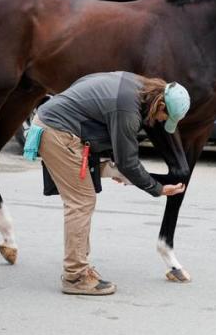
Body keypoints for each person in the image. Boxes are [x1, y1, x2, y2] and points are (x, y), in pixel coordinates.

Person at [35, 71, 190, 296]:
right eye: (164, 117)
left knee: (83, 199)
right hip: (58, 132)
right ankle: (75, 276)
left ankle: (81, 267)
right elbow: (128, 161)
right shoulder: (128, 110)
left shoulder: (134, 84)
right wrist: (157, 189)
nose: (159, 122)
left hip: (58, 126)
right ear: (160, 105)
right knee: (81, 202)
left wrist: (115, 167)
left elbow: (85, 90)